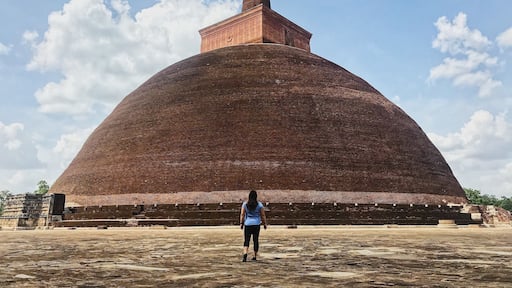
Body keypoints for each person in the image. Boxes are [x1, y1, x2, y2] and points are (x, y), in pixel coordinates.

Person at [240, 190, 267, 262]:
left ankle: (245, 253)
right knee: (255, 240)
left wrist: (241, 223)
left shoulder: (245, 204)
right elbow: (263, 215)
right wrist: (264, 224)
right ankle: (254, 256)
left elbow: (242, 215)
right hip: (256, 224)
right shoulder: (259, 205)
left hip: (248, 224)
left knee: (246, 240)